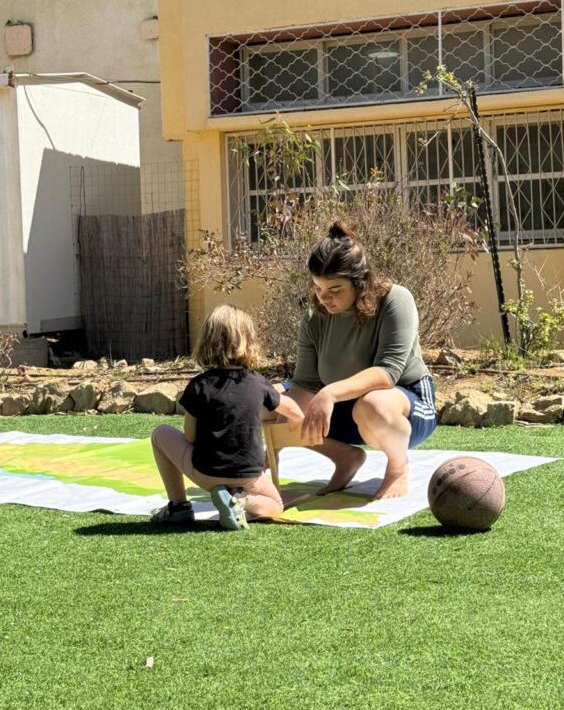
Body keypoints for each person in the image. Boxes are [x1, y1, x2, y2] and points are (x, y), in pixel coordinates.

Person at [283, 221, 437, 500]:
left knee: (372, 404)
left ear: (360, 282)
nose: (324, 298)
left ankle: (398, 468)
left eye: (335, 289)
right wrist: (276, 422)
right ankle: (344, 456)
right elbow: (304, 385)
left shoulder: (395, 299)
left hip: (403, 407)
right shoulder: (314, 319)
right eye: (318, 288)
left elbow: (387, 373)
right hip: (344, 410)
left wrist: (330, 393)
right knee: (267, 403)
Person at [150, 304, 305, 530]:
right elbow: (291, 409)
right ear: (249, 341)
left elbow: (190, 437)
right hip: (249, 475)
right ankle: (240, 501)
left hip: (207, 472)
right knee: (275, 505)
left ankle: (178, 506)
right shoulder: (257, 383)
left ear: (207, 341)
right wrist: (298, 422)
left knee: (160, 434)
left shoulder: (199, 386)